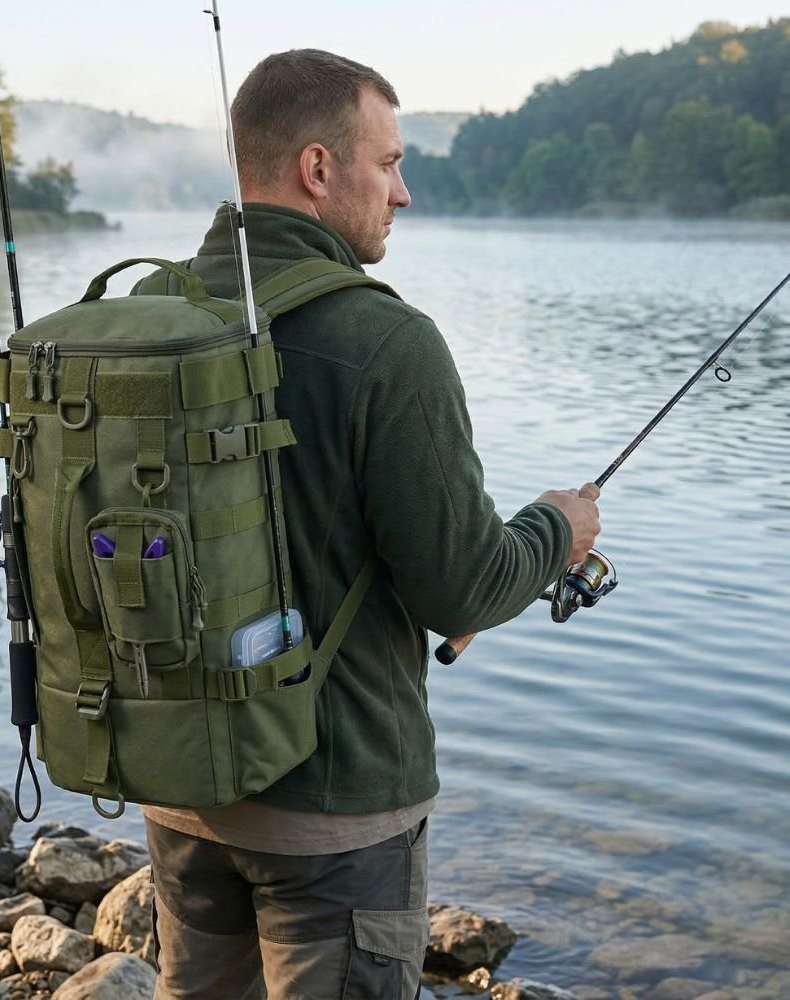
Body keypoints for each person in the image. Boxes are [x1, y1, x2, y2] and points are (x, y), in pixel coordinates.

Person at [137, 48, 601, 1000]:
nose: (404, 192)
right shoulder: (387, 339)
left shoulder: (149, 312)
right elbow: (461, 588)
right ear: (318, 168)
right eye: (388, 163)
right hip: (337, 813)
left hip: (180, 781)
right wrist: (558, 529)